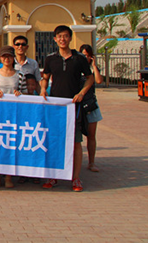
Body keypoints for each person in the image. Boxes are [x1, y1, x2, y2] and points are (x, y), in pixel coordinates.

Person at [40, 25, 94, 192]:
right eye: (59, 36)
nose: (62, 39)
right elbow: (45, 77)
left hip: (73, 106)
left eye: (65, 36)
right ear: (55, 39)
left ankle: (75, 178)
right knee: (55, 141)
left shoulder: (79, 59)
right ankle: (53, 176)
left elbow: (90, 78)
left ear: (70, 38)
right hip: (56, 107)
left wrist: (82, 93)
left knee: (76, 143)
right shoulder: (51, 59)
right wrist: (43, 89)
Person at [0, 45, 27, 188]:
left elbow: (26, 93)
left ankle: (8, 177)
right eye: (4, 56)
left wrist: (20, 94)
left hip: (14, 115)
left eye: (9, 56)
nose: (6, 59)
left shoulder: (20, 75)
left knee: (10, 146)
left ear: (13, 57)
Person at [79, 44, 104, 173]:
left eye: (88, 56)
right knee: (76, 137)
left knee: (91, 135)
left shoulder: (92, 69)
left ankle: (91, 162)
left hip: (91, 105)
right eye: (84, 55)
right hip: (78, 105)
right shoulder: (76, 68)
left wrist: (94, 66)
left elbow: (99, 81)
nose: (86, 58)